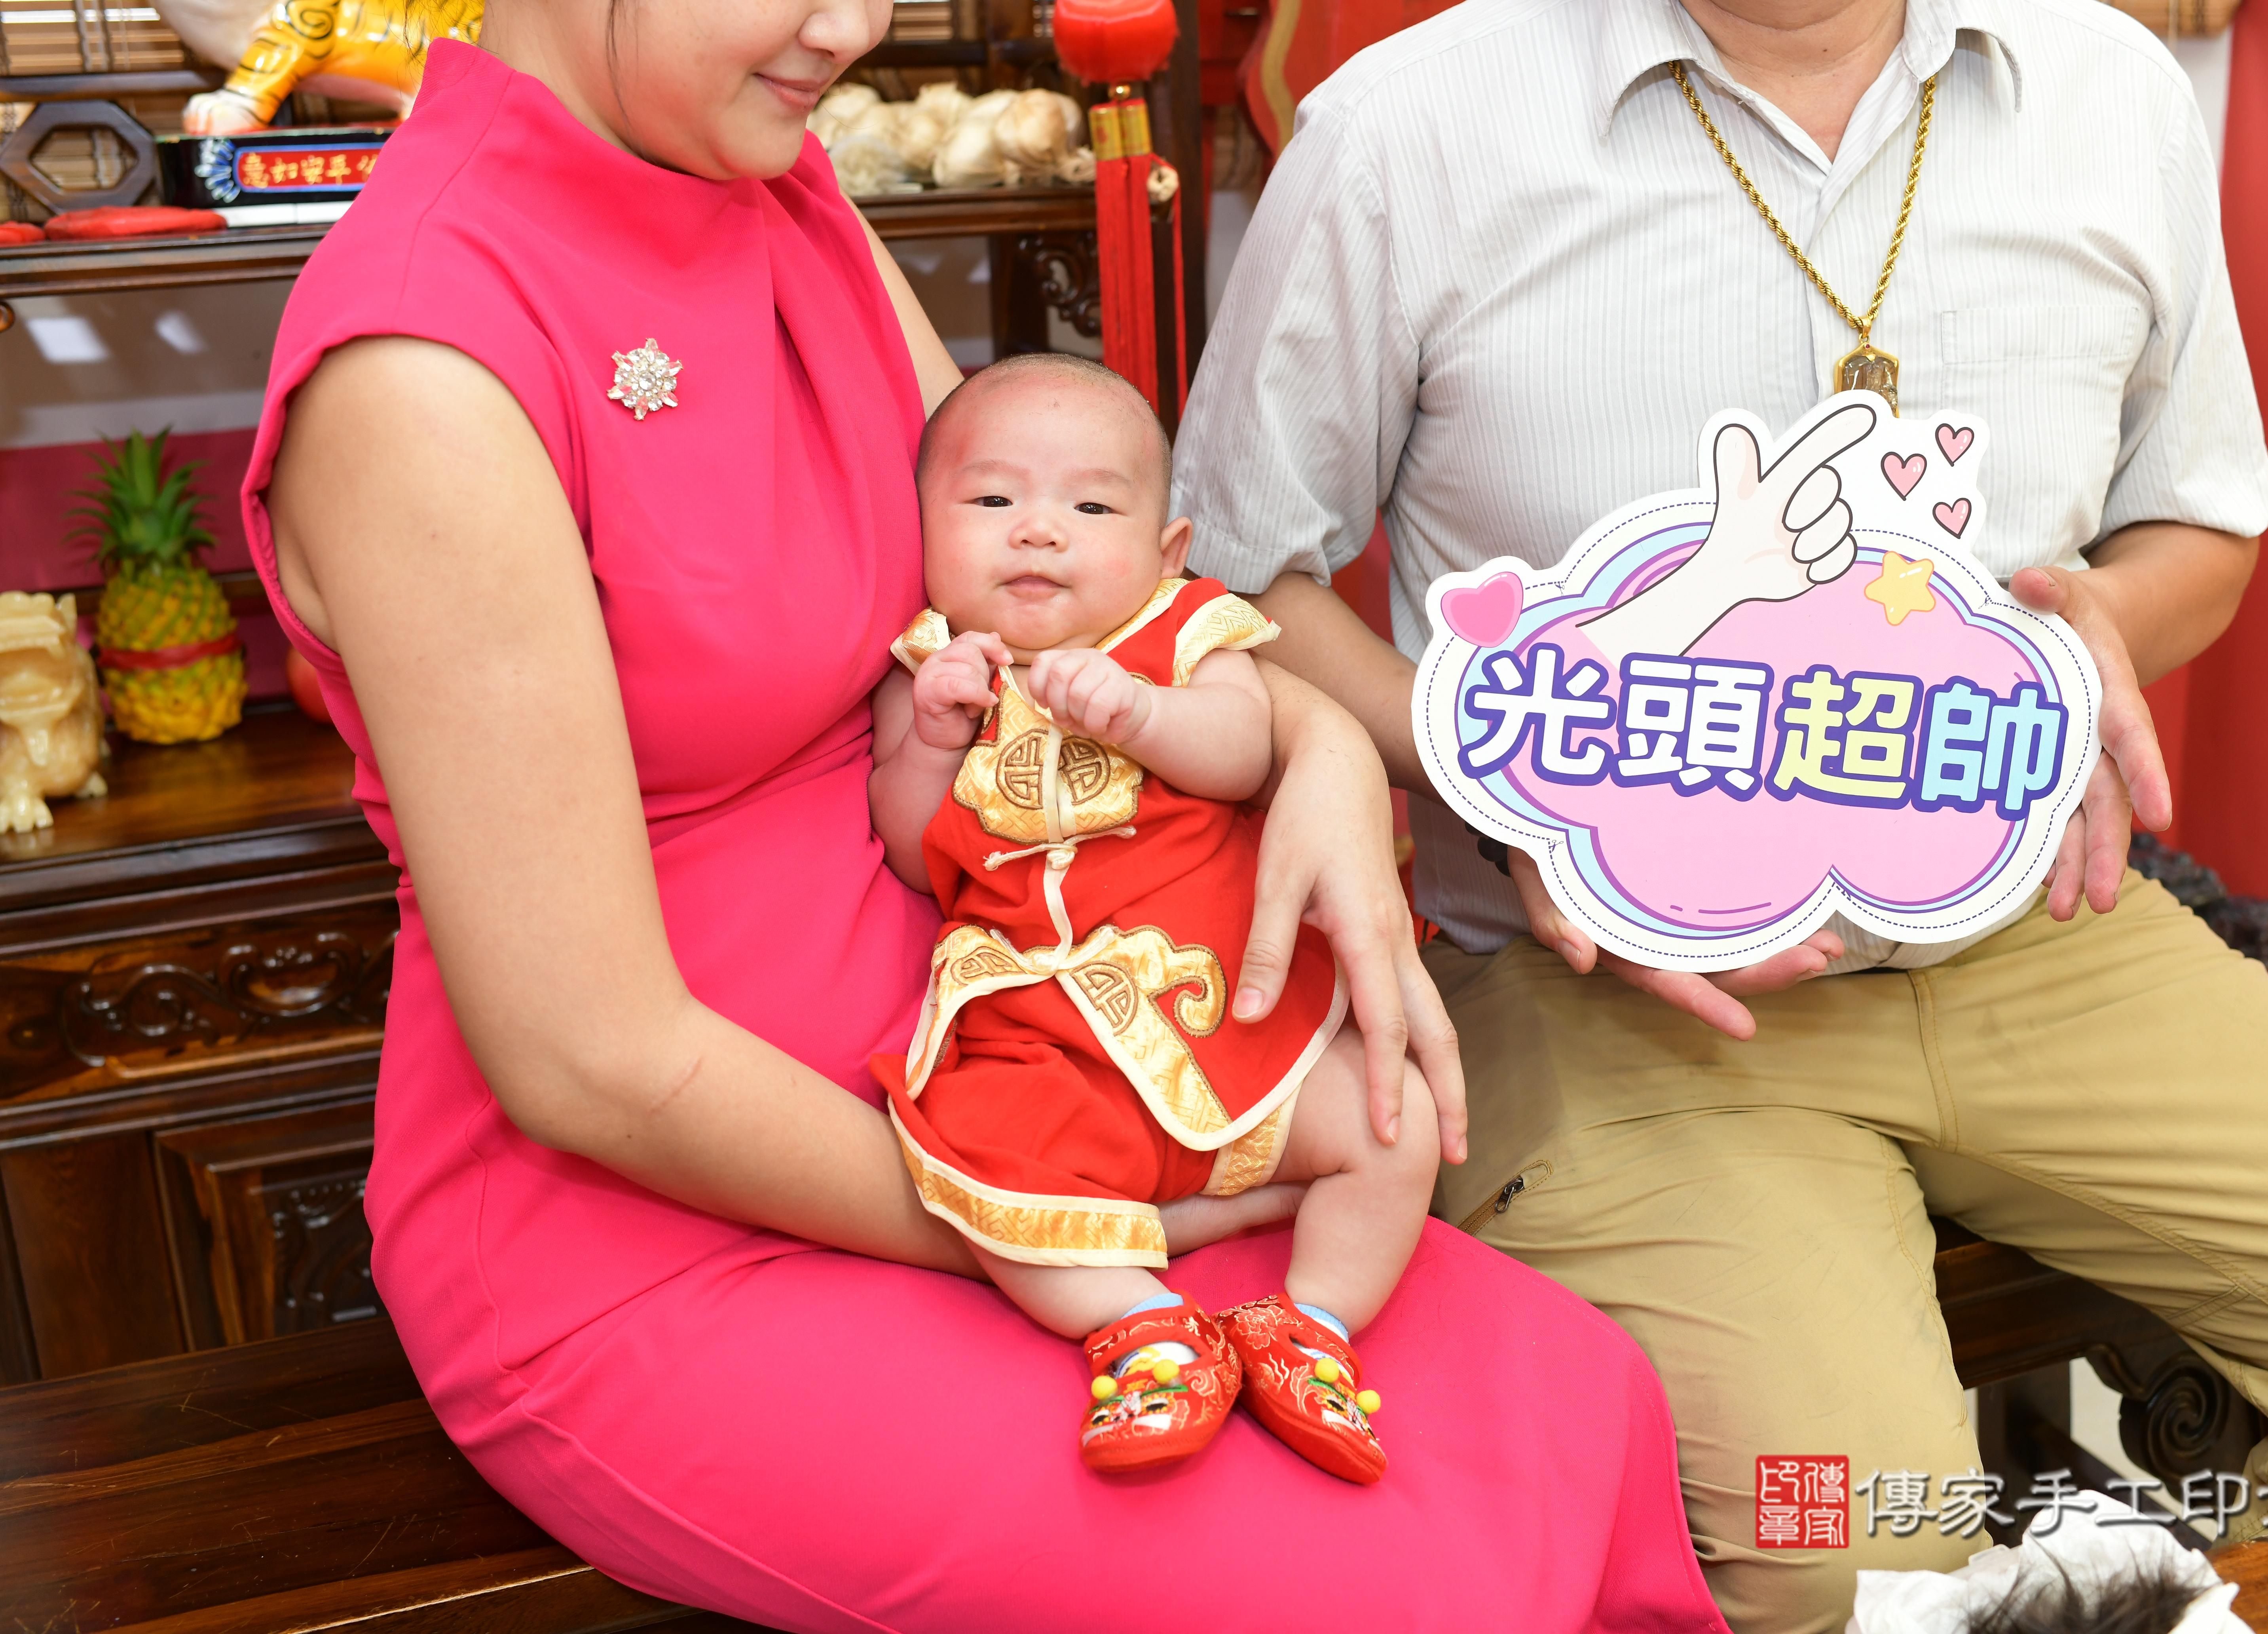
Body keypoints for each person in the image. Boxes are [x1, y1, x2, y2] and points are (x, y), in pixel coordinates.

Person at [237, 2, 1730, 1630]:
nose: (854, 28)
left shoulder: (768, 172)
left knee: (1577, 1400)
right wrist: (1096, 1213)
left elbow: (1068, 602)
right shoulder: (424, 369)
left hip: (1041, 1065)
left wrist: (1304, 740)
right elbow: (594, 1063)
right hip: (699, 1221)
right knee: (1384, 1579)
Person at [1176, 0, 2268, 1628]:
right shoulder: (1410, 124)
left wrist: (2097, 627)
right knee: (1855, 1555)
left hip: (2042, 942)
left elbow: (2202, 517)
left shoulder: (2106, 87)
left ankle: (2204, 1556)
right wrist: (1513, 796)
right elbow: (1236, 578)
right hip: (1603, 992)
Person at [869, 353, 1436, 1482]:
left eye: (1090, 506)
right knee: (977, 1164)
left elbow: (1237, 756)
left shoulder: (1187, 635)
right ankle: (1140, 1327)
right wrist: (931, 735)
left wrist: (1142, 712)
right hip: (1041, 1032)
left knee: (1393, 1123)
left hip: (1227, 1004)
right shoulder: (936, 666)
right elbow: (912, 847)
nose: (1039, 533)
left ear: (1167, 550)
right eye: (992, 503)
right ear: (922, 533)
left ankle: (1312, 1324)